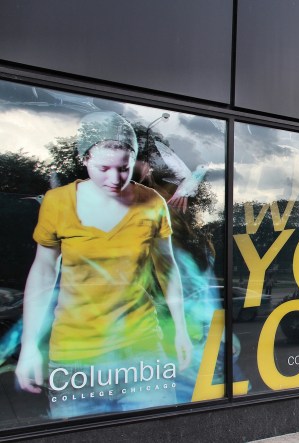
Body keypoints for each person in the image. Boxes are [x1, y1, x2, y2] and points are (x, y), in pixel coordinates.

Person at [14, 111, 192, 417]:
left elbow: (167, 269)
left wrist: (180, 330)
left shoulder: (152, 203)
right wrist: (29, 345)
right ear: (85, 160)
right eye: (103, 168)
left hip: (143, 354)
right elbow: (43, 272)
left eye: (124, 168)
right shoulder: (58, 203)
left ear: (134, 159)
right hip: (75, 357)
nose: (115, 179)